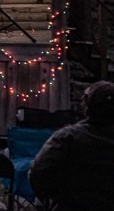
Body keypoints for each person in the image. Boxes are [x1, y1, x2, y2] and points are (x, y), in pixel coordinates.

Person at [29, 80, 114, 211]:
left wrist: (56, 197)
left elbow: (37, 173)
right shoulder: (67, 137)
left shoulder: (67, 137)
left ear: (87, 106)